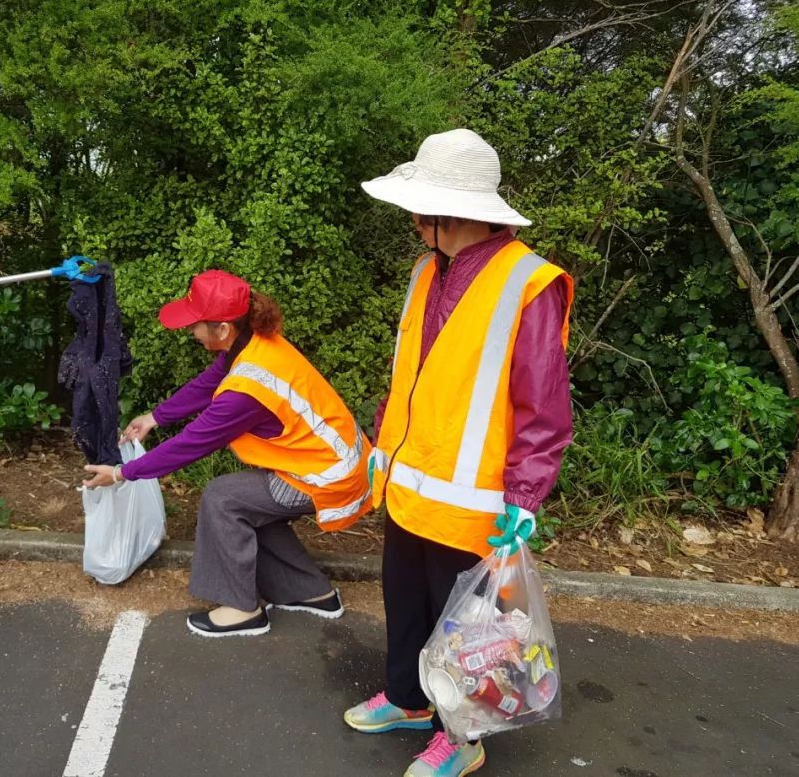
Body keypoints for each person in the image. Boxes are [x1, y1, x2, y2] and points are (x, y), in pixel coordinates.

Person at [341, 129, 573, 776]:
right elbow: (409, 374)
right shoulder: (427, 271)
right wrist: (383, 448)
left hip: (473, 505)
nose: (413, 222)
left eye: (420, 210)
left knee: (464, 631)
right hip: (412, 488)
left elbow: (544, 408)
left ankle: (463, 738)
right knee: (405, 602)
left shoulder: (528, 283)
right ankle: (410, 700)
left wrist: (524, 497)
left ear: (450, 211)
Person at [83, 270, 372, 637]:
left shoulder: (246, 391)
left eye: (196, 325)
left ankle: (243, 609)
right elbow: (207, 384)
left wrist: (122, 473)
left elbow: (192, 443)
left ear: (222, 328)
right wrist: (154, 418)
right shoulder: (252, 344)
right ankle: (312, 593)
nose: (191, 333)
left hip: (327, 478)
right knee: (247, 504)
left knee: (223, 499)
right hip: (334, 464)